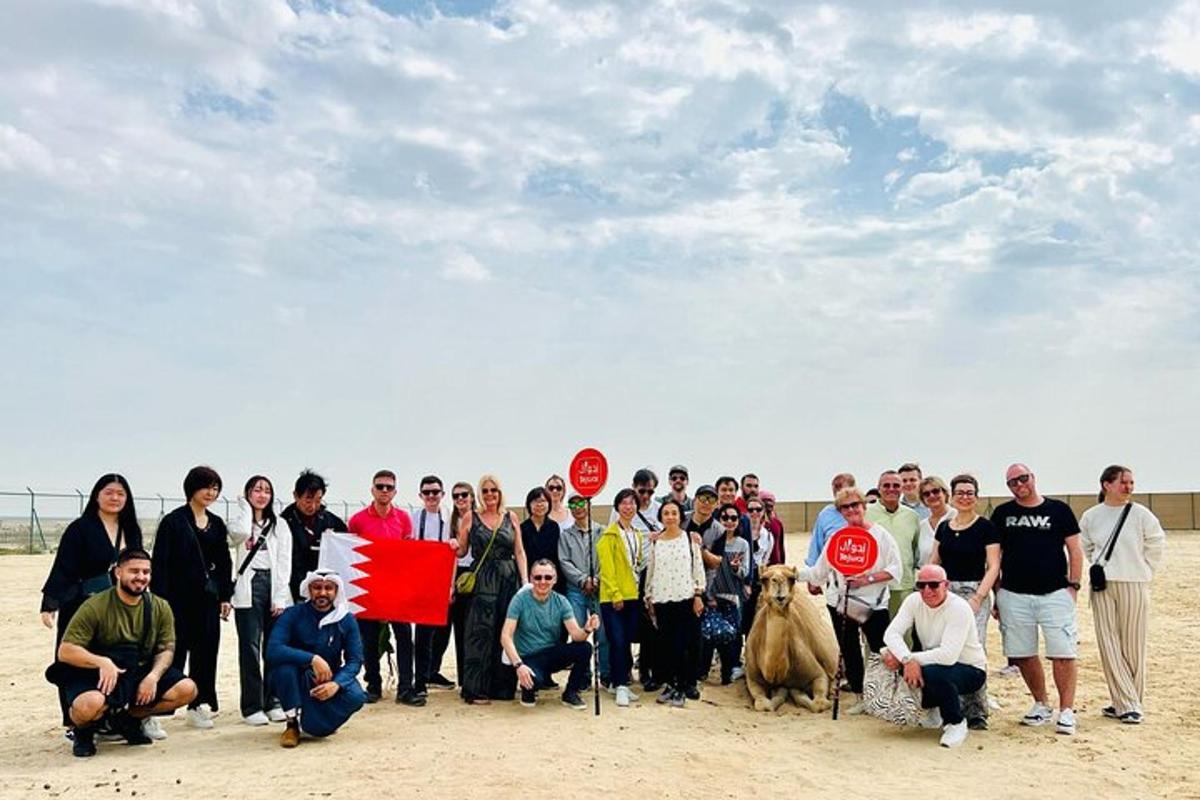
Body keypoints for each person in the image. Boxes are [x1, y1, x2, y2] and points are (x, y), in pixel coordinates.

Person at [51, 548, 196, 758]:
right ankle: (84, 730)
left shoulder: (159, 606)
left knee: (186, 689)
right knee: (89, 705)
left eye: (146, 572)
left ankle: (126, 719)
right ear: (118, 573)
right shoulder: (95, 605)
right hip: (97, 674)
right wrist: (101, 662)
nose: (141, 577)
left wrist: (152, 677)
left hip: (136, 669)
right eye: (134, 571)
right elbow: (65, 651)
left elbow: (166, 649)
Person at [41, 474, 145, 730]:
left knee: (116, 657)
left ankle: (110, 716)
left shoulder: (131, 529)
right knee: (75, 658)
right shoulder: (80, 528)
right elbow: (63, 567)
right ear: (97, 495)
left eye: (121, 494)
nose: (115, 498)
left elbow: (140, 567)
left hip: (120, 607)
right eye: (109, 492)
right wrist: (50, 602)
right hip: (82, 604)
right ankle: (75, 721)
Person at [991, 463, 1084, 735]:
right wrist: (998, 594)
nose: (1019, 485)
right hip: (1013, 595)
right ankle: (1041, 703)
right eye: (1012, 482)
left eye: (1023, 478)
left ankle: (1066, 710)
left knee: (1063, 653)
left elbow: (1075, 551)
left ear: (1033, 478)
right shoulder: (1002, 514)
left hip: (1055, 593)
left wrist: (1074, 586)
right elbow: (994, 558)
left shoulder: (1059, 510)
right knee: (1022, 653)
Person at [1079, 465, 1166, 725]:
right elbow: (1087, 545)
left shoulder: (1141, 514)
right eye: (1123, 482)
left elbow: (1156, 542)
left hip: (1134, 582)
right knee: (1108, 643)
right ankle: (1126, 701)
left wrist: (1144, 570)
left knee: (1133, 644)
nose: (1128, 487)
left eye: (1131, 482)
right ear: (1107, 485)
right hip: (1103, 584)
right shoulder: (1092, 516)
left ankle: (1129, 701)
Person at [796, 486, 900, 701]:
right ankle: (860, 696)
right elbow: (819, 572)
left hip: (874, 603)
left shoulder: (881, 536)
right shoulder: (836, 538)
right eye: (845, 507)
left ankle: (889, 695)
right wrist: (792, 573)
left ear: (864, 506)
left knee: (882, 648)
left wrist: (866, 579)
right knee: (850, 650)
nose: (851, 510)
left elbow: (895, 570)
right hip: (840, 603)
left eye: (855, 504)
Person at [150, 465, 232, 730]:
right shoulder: (173, 522)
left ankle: (199, 705)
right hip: (175, 601)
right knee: (172, 653)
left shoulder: (217, 524)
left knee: (206, 653)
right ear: (192, 488)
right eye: (206, 486)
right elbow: (160, 564)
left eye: (216, 488)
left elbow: (224, 562)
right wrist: (159, 601)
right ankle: (154, 712)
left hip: (207, 601)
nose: (211, 492)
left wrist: (224, 596)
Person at [881, 565, 988, 749]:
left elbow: (948, 656)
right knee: (890, 657)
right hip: (934, 662)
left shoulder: (959, 608)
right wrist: (906, 659)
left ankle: (955, 722)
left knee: (931, 672)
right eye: (921, 586)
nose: (927, 591)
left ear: (945, 585)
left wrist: (908, 659)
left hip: (971, 669)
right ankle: (932, 709)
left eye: (933, 585)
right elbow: (891, 634)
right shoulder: (913, 601)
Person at [930, 473, 1000, 729]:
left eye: (970, 493)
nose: (965, 497)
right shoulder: (945, 527)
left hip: (974, 592)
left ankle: (977, 711)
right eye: (960, 492)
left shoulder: (986, 528)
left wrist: (978, 597)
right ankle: (951, 708)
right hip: (945, 594)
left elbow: (993, 566)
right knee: (946, 648)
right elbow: (933, 562)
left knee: (973, 650)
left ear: (976, 497)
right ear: (953, 495)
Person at [267, 569, 366, 747]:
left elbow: (355, 660)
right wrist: (313, 659)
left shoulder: (346, 619)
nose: (322, 593)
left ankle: (317, 723)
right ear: (309, 590)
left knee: (357, 696)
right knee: (283, 669)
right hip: (297, 675)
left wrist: (336, 684)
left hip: (329, 677)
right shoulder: (293, 614)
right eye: (317, 587)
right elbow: (274, 649)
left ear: (336, 591)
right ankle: (291, 724)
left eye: (328, 588)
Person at [346, 470, 420, 706]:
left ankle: (406, 688)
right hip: (368, 588)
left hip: (396, 587)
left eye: (389, 487)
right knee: (368, 638)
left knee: (404, 637)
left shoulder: (404, 518)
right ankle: (374, 685)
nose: (384, 491)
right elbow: (349, 553)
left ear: (395, 491)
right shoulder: (357, 520)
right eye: (380, 487)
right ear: (372, 490)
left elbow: (410, 553)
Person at [228, 475, 292, 725]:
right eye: (256, 490)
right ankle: (252, 706)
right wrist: (245, 508)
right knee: (250, 648)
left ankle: (273, 700)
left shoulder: (281, 525)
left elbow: (284, 561)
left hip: (273, 584)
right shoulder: (238, 522)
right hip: (249, 586)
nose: (262, 495)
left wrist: (279, 596)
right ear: (248, 494)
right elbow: (240, 534)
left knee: (273, 648)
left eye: (267, 491)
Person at [460, 474, 526, 704]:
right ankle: (476, 689)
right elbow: (461, 550)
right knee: (480, 633)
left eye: (494, 490)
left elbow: (519, 552)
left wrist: (525, 583)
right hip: (482, 581)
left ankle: (503, 688)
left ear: (500, 493)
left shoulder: (511, 517)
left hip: (508, 580)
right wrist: (451, 546)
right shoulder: (471, 517)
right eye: (485, 490)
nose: (490, 495)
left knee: (504, 631)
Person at [502, 559, 600, 710]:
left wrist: (587, 629)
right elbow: (506, 636)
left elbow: (576, 635)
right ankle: (529, 688)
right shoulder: (519, 600)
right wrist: (518, 665)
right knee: (532, 685)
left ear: (554, 579)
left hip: (551, 653)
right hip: (527, 657)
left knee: (585, 648)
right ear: (531, 578)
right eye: (538, 577)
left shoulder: (561, 601)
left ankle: (571, 692)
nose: (543, 582)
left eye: (548, 577)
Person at [644, 499, 706, 707]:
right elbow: (651, 571)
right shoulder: (655, 541)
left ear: (680, 516)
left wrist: (698, 595)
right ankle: (671, 684)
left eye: (674, 513)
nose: (670, 517)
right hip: (662, 599)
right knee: (666, 644)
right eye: (666, 513)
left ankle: (685, 685)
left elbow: (697, 567)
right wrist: (649, 597)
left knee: (686, 643)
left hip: (685, 598)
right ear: (661, 517)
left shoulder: (690, 540)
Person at [410, 475, 458, 691]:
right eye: (427, 492)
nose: (431, 496)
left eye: (435, 492)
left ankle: (432, 671)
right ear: (420, 495)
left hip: (441, 580)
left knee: (441, 632)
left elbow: (453, 554)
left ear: (442, 494)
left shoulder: (449, 518)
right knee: (422, 634)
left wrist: (450, 584)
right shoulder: (413, 518)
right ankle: (419, 681)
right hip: (419, 580)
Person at [597, 488, 644, 707]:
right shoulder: (608, 536)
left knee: (626, 641)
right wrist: (615, 594)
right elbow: (607, 570)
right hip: (613, 598)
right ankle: (620, 685)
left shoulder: (636, 534)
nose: (629, 507)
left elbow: (638, 564)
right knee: (616, 640)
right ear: (617, 507)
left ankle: (621, 681)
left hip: (633, 595)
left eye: (632, 503)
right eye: (624, 503)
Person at [558, 491, 608, 687]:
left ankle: (605, 673)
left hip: (599, 588)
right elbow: (564, 561)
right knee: (579, 633)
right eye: (573, 505)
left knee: (603, 633)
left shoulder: (602, 532)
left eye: (581, 504)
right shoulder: (566, 535)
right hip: (576, 590)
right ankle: (584, 676)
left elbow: (606, 560)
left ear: (589, 505)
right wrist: (582, 580)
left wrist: (597, 579)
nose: (578, 509)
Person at [701, 503, 751, 685]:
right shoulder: (712, 542)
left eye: (733, 518)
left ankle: (727, 674)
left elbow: (746, 572)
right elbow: (704, 569)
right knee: (708, 635)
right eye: (725, 518)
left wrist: (737, 568)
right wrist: (708, 596)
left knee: (731, 637)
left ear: (738, 521)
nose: (729, 522)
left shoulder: (743, 544)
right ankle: (703, 672)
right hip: (712, 597)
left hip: (732, 597)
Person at [281, 470, 347, 603]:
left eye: (318, 500)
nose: (313, 506)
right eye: (308, 500)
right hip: (295, 591)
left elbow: (346, 548)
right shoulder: (283, 523)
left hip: (324, 592)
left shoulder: (331, 521)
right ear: (296, 496)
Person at [866, 470, 922, 623]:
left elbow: (915, 550)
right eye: (886, 485)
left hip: (903, 585)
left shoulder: (912, 516)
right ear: (879, 488)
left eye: (896, 485)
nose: (891, 489)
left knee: (904, 634)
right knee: (875, 638)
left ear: (902, 488)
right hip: (873, 586)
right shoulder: (865, 513)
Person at [448, 481, 477, 684]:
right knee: (459, 628)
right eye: (456, 496)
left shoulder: (479, 518)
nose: (460, 499)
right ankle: (464, 677)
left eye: (464, 495)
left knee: (475, 627)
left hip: (477, 572)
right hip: (456, 574)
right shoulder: (450, 521)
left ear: (472, 497)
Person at [521, 487, 564, 595]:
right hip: (531, 579)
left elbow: (556, 554)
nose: (539, 505)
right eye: (535, 501)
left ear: (549, 504)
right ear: (529, 505)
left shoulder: (554, 527)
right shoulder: (522, 528)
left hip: (550, 579)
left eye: (543, 501)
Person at [917, 476, 955, 567]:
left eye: (935, 491)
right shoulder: (922, 526)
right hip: (929, 578)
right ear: (923, 500)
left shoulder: (958, 517)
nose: (932, 496)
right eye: (926, 494)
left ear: (945, 493)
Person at [758, 490, 785, 565]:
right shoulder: (755, 524)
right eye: (765, 500)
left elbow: (780, 546)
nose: (768, 503)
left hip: (776, 564)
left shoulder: (777, 523)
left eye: (770, 500)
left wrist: (782, 564)